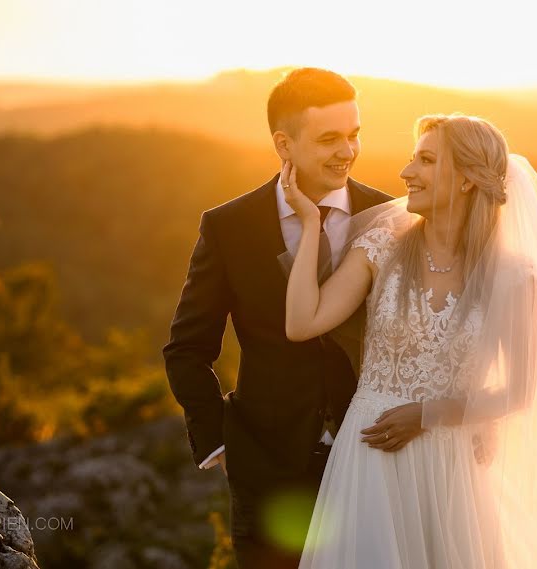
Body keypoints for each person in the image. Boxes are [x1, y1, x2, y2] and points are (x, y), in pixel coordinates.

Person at [283, 113, 537, 568]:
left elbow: (519, 391)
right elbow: (303, 323)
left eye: (425, 160)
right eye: (411, 159)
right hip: (370, 458)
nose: (405, 173)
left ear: (464, 180)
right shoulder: (381, 246)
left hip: (455, 468)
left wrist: (428, 414)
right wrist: (307, 226)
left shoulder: (513, 275)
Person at [163, 67, 394, 568]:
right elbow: (187, 347)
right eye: (329, 138)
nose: (348, 151)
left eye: (354, 135)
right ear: (283, 145)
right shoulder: (230, 226)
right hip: (265, 469)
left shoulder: (390, 216)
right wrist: (219, 444)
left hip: (372, 463)